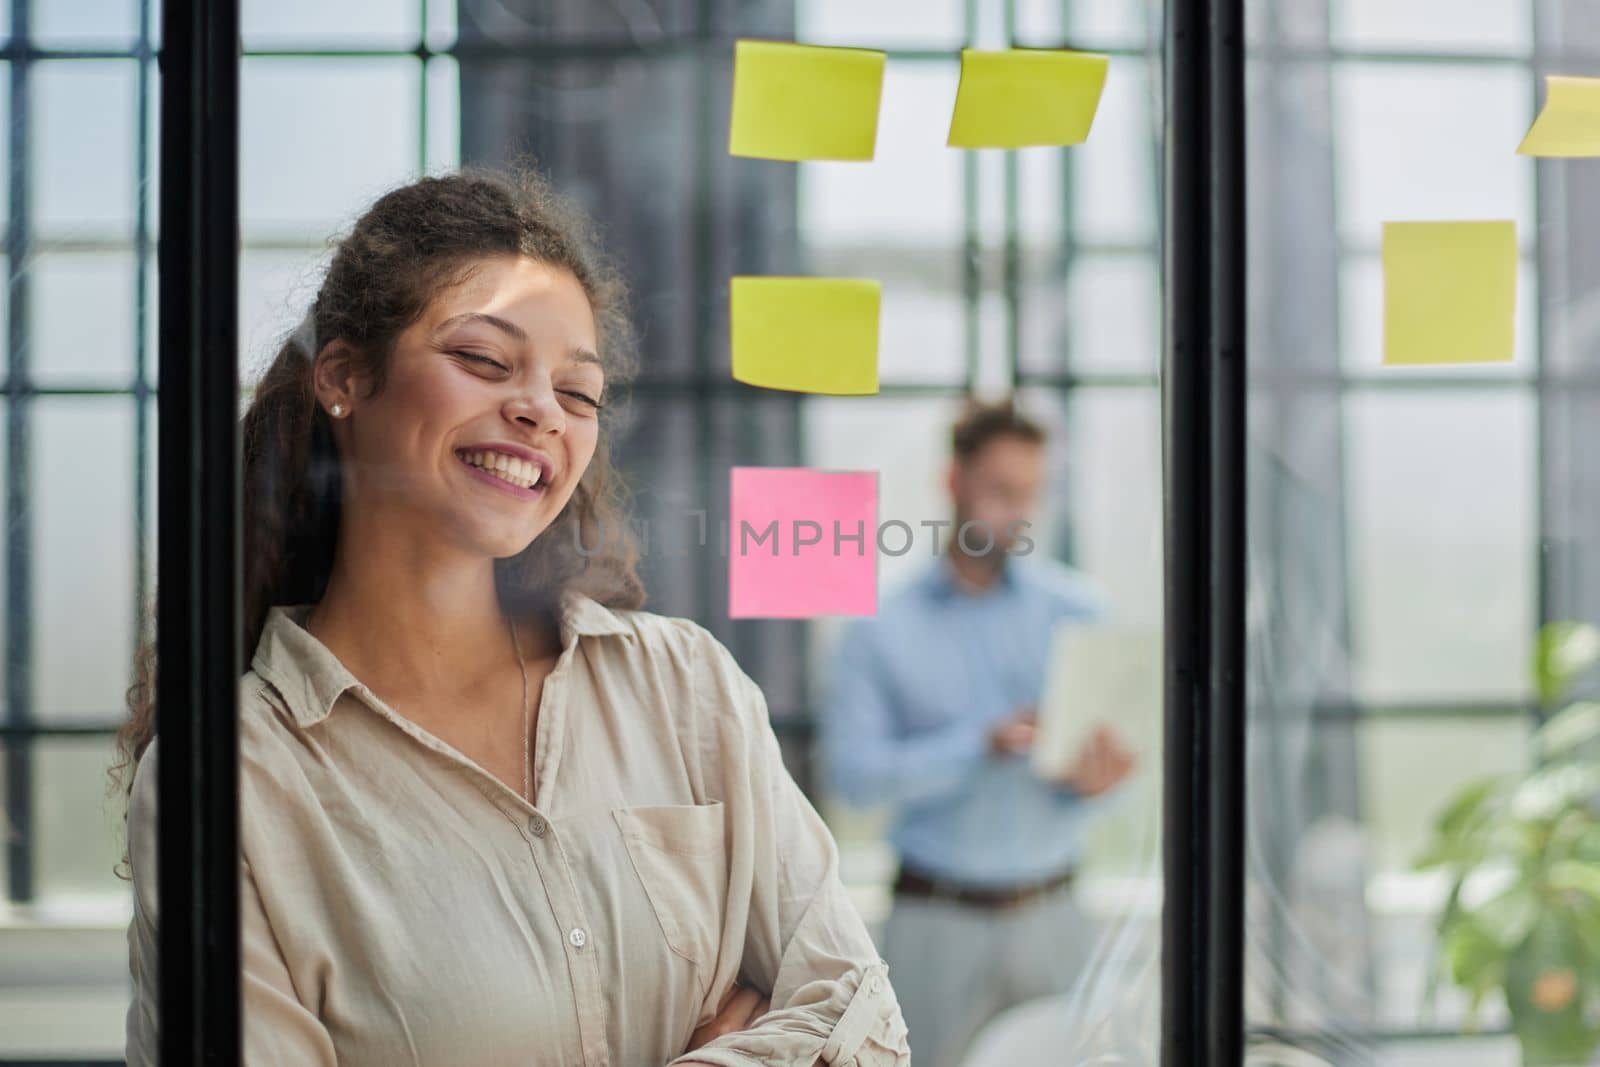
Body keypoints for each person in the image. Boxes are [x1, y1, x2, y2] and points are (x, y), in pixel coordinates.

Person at [114, 168, 910, 1067]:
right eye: (485, 361)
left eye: (578, 394)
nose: (539, 410)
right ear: (343, 376)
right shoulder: (233, 782)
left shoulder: (684, 686)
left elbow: (864, 1024)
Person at [819, 398, 1136, 1067]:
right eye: (1000, 490)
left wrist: (1099, 782)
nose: (1017, 511)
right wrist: (975, 745)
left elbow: (1121, 782)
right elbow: (854, 778)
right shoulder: (880, 626)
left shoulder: (1079, 612)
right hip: (937, 919)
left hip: (1056, 916)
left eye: (1031, 493)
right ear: (954, 482)